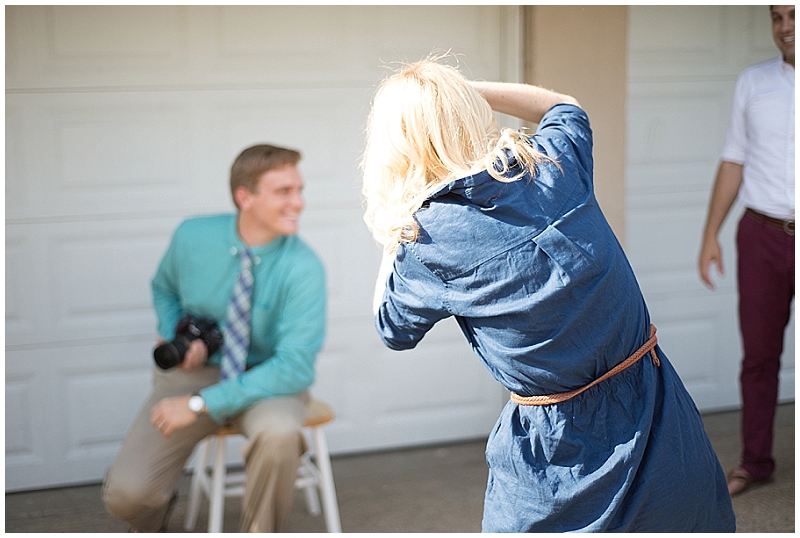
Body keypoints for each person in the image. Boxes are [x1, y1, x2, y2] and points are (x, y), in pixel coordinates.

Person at [362, 56, 736, 532]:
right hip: (659, 417)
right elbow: (563, 105)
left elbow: (390, 328)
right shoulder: (552, 163)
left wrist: (397, 220)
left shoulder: (426, 241)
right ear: (470, 114)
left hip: (557, 457)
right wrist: (459, 93)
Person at [102, 144, 327, 532]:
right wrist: (176, 332)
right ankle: (159, 499)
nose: (299, 202)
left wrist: (199, 404)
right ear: (246, 197)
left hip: (268, 381)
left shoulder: (304, 267)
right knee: (126, 498)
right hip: (199, 372)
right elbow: (164, 287)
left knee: (279, 433)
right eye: (284, 191)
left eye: (299, 190)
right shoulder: (192, 236)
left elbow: (294, 365)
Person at [698, 5, 795, 497]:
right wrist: (710, 233)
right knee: (759, 356)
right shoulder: (753, 83)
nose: (785, 27)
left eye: (794, 14)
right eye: (777, 16)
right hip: (761, 235)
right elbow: (734, 158)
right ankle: (756, 462)